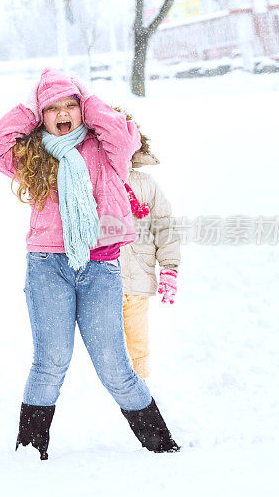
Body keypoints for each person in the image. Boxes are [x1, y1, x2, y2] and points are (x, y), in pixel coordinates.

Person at [0, 68, 179, 459]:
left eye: (71, 104)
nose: (63, 112)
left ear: (83, 108)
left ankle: (160, 444)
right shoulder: (33, 156)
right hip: (48, 265)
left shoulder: (106, 150)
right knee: (50, 360)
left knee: (115, 366)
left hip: (100, 267)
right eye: (53, 107)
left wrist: (86, 98)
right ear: (41, 115)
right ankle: (31, 450)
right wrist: (31, 111)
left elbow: (123, 132)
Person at [116, 109, 180, 380]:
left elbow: (164, 225)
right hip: (101, 278)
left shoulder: (145, 184)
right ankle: (115, 384)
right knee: (108, 340)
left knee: (137, 338)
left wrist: (169, 266)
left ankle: (140, 385)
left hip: (138, 275)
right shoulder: (91, 182)